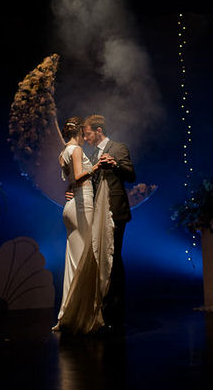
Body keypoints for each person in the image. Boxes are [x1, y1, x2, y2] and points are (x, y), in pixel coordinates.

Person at [52, 116, 114, 334]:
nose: (86, 137)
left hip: (71, 207)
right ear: (78, 132)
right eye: (84, 133)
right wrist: (97, 166)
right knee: (85, 262)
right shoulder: (76, 149)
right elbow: (78, 177)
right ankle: (81, 316)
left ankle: (69, 313)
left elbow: (70, 180)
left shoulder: (63, 152)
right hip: (81, 206)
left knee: (74, 262)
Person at [83, 114, 135, 333]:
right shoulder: (91, 154)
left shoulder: (118, 147)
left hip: (115, 211)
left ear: (98, 130)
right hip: (98, 212)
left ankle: (116, 311)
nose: (85, 138)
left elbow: (131, 175)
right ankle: (102, 308)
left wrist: (114, 164)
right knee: (102, 257)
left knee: (114, 257)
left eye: (87, 133)